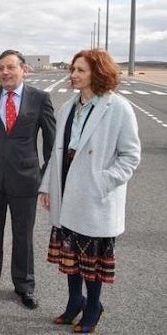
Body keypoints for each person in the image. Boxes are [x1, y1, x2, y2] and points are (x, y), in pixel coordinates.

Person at [39, 49, 140, 333]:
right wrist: (47, 185)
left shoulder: (117, 107)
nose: (73, 75)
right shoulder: (68, 106)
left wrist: (103, 182)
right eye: (73, 69)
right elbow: (56, 153)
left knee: (92, 258)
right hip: (67, 185)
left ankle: (93, 306)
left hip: (94, 195)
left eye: (80, 70)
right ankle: (75, 302)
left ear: (98, 72)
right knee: (70, 255)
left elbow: (130, 156)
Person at [0, 50, 55, 309]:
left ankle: (24, 285)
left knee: (23, 235)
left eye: (10, 67)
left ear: (24, 69)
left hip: (25, 179)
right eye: (0, 68)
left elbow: (51, 142)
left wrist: (46, 178)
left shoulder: (40, 98)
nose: (5, 73)